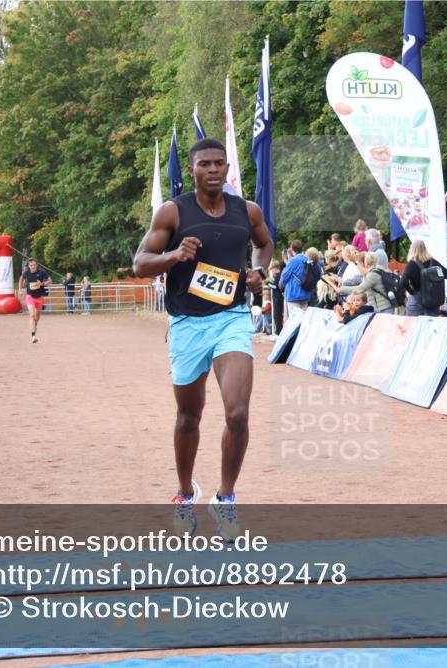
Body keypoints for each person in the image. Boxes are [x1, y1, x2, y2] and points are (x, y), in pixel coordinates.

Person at [132, 137, 273, 540]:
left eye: (220, 164)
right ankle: (184, 492)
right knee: (188, 416)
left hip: (231, 319)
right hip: (187, 324)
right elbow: (140, 263)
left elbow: (264, 245)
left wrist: (258, 271)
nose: (213, 170)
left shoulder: (247, 211)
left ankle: (226, 499)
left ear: (228, 169)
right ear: (192, 170)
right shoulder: (174, 212)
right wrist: (173, 256)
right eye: (205, 164)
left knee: (238, 413)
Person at [328, 251, 395, 314]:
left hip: (384, 308)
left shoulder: (372, 274)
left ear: (363, 264)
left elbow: (360, 289)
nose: (358, 268)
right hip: (381, 308)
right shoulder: (372, 273)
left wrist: (342, 289)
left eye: (358, 265)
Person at [400, 239, 447, 316]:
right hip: (433, 302)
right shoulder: (433, 262)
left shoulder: (412, 264)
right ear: (425, 249)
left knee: (412, 326)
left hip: (416, 304)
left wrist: (412, 292)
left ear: (412, 250)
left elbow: (403, 281)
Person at [19, 258, 52, 343]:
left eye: (34, 265)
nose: (33, 267)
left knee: (37, 317)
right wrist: (20, 289)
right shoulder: (26, 273)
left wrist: (42, 284)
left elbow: (50, 281)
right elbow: (21, 279)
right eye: (31, 265)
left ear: (36, 265)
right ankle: (33, 336)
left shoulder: (42, 272)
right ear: (29, 266)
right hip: (30, 296)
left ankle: (35, 326)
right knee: (32, 315)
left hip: (39, 297)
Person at [280, 240, 313, 317]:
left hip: (293, 293)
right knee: (303, 319)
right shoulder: (308, 259)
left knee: (295, 320)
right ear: (302, 248)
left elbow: (285, 276)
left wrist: (282, 287)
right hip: (306, 292)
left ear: (291, 249)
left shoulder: (293, 260)